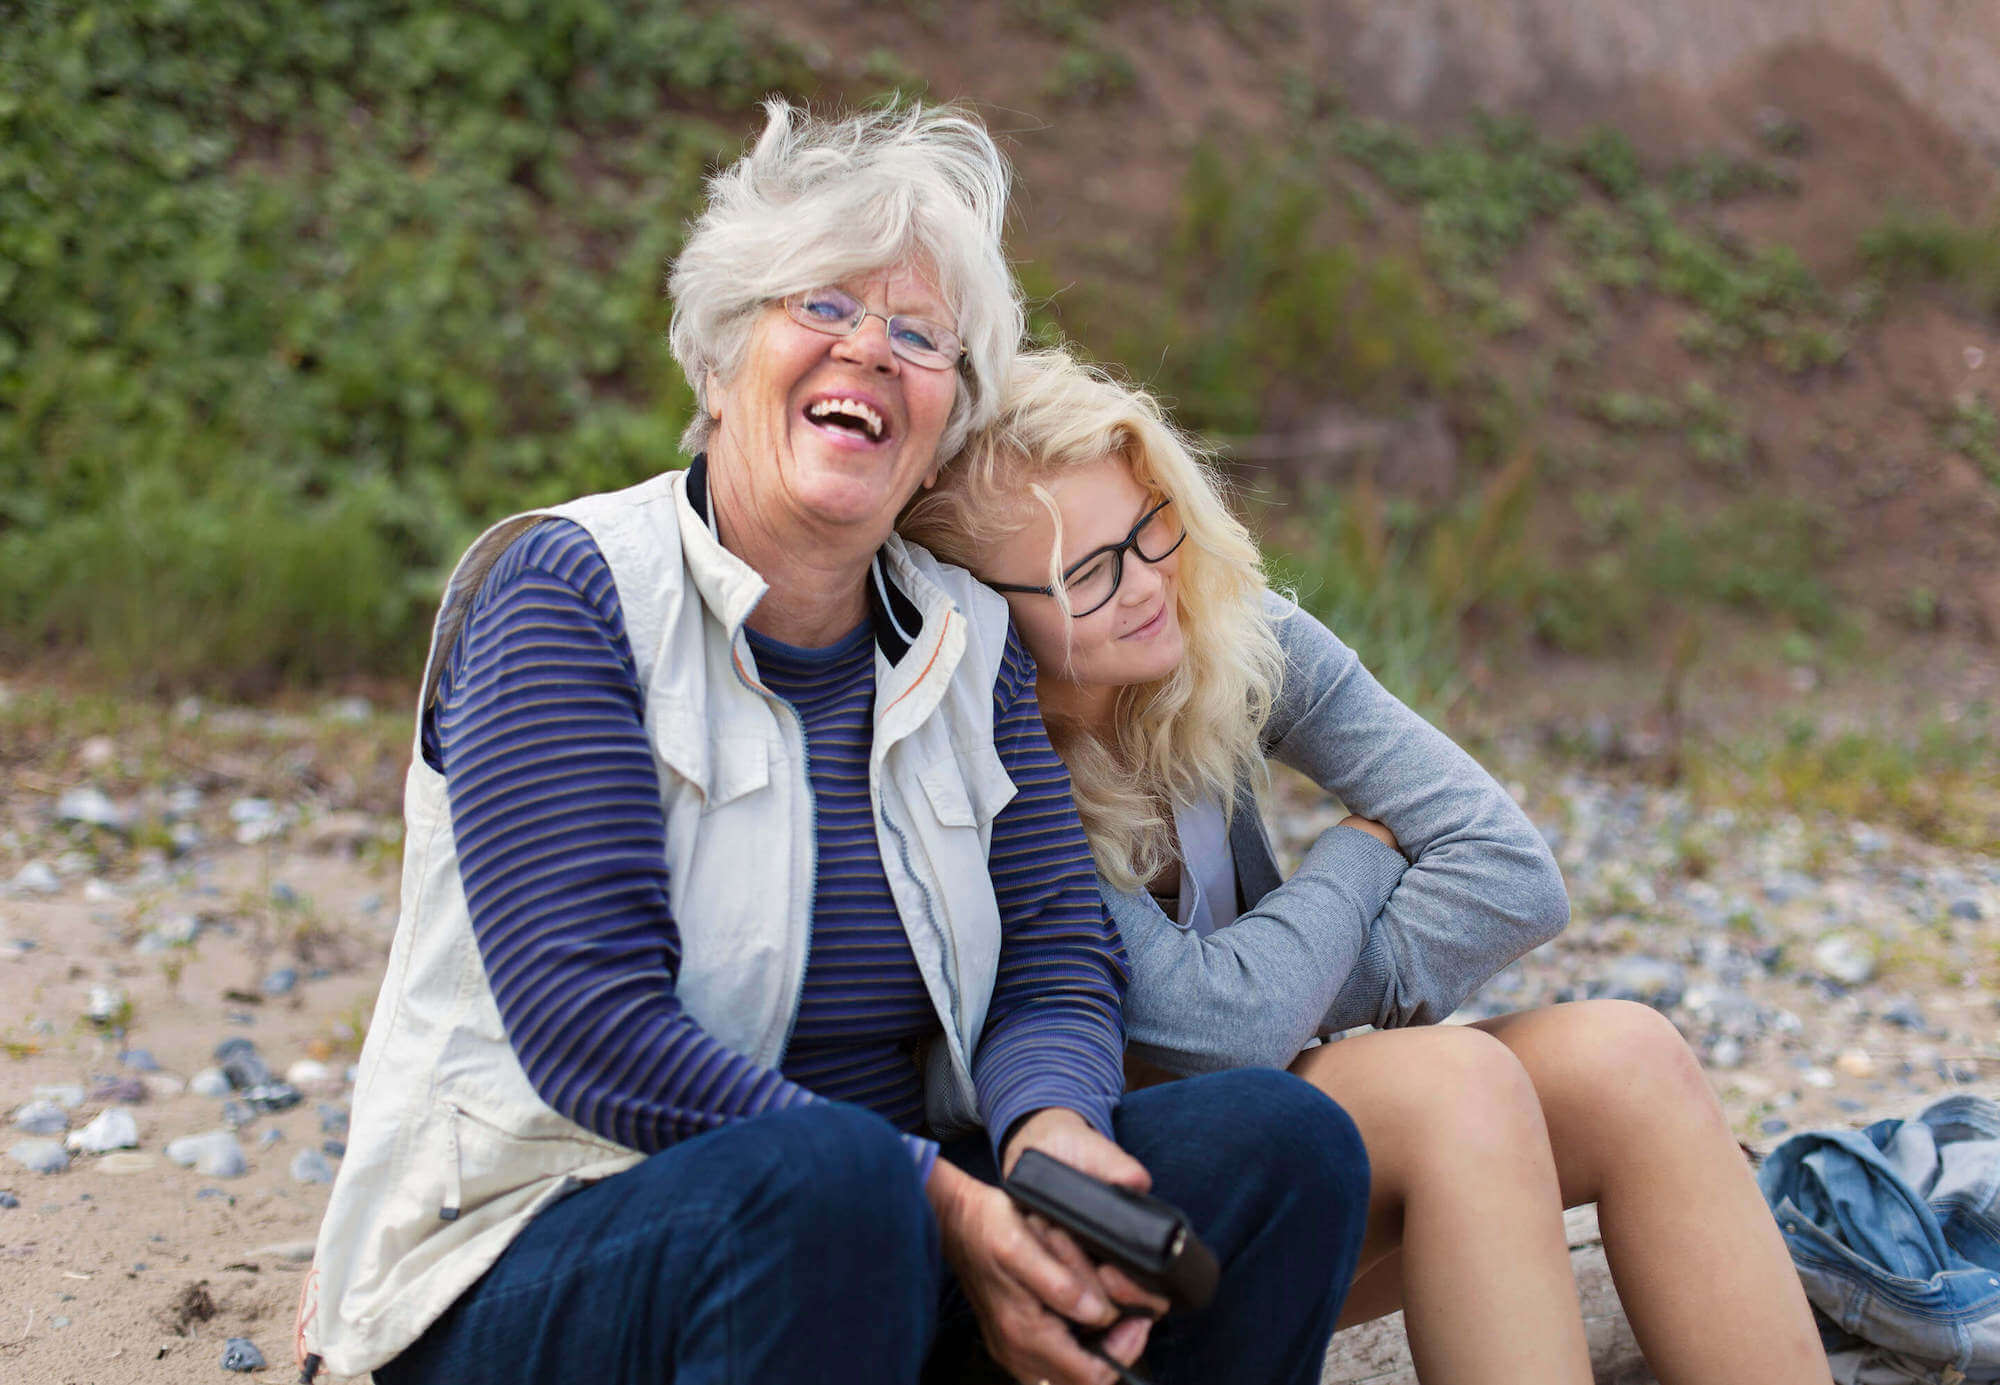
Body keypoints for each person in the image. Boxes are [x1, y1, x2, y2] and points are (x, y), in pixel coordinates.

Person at [299, 105, 1369, 1385]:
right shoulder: (569, 592)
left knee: (1279, 1141)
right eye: (819, 304)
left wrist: (1045, 1142)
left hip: (866, 1247)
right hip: (539, 1253)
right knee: (833, 1181)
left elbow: (1049, 948)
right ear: (715, 358)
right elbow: (587, 1023)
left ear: (939, 422)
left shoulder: (966, 635)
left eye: (919, 335)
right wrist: (940, 1198)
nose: (869, 347)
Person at [899, 347, 1831, 1384]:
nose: (1144, 581)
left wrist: (1285, 987)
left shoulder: (1224, 636)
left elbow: (1508, 869)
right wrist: (1351, 856)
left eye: (1147, 524)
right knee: (1451, 1082)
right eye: (1086, 572)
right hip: (1074, 1204)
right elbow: (1221, 1028)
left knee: (1630, 1053)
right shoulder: (991, 766)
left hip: (1278, 1145)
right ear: (986, 611)